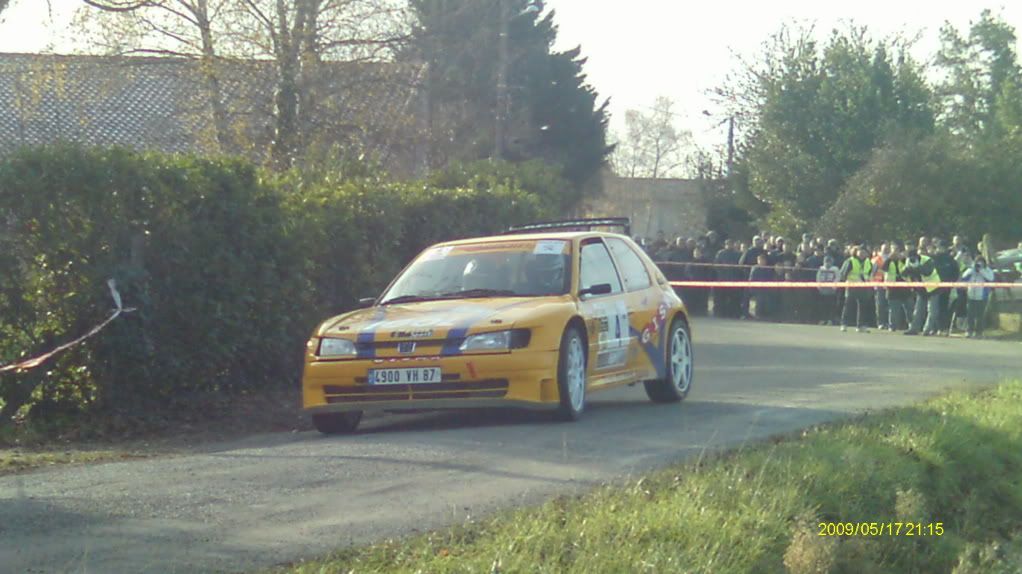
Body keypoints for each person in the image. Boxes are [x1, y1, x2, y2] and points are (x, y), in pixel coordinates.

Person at [902, 249, 942, 336]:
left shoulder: (927, 260)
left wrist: (918, 267)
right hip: (921, 289)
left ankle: (927, 330)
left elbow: (927, 272)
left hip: (933, 288)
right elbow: (904, 273)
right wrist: (908, 268)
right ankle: (914, 329)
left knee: (932, 310)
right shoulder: (908, 261)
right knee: (918, 310)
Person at [839, 246, 874, 332]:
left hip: (863, 286)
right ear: (856, 252)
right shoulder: (850, 261)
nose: (862, 253)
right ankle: (844, 324)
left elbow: (870, 273)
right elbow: (843, 274)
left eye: (864, 252)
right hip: (852, 286)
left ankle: (861, 325)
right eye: (860, 251)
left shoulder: (868, 262)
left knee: (863, 306)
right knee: (848, 306)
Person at [960, 256, 995, 338]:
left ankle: (979, 332)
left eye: (981, 262)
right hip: (971, 295)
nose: (979, 264)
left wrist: (981, 270)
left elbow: (990, 278)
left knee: (980, 315)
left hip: (982, 296)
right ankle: (969, 331)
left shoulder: (987, 270)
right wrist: (972, 269)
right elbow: (964, 277)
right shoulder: (972, 270)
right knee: (970, 315)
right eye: (977, 262)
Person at [930, 241, 960, 334]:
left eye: (942, 247)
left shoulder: (951, 260)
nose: (940, 249)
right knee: (933, 309)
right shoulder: (933, 259)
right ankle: (933, 328)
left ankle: (942, 328)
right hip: (933, 288)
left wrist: (951, 283)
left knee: (944, 308)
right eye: (939, 247)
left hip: (946, 288)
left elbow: (956, 272)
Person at [884, 243, 911, 331]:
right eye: (893, 250)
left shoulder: (904, 260)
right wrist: (889, 259)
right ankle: (892, 326)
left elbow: (909, 269)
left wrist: (904, 258)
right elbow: (883, 268)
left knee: (909, 307)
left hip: (904, 286)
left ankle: (911, 324)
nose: (895, 252)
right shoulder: (888, 260)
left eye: (897, 250)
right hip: (892, 287)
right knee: (894, 309)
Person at [714, 239, 743, 318]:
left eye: (731, 244)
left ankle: (733, 314)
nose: (729, 245)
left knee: (734, 299)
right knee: (722, 298)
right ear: (725, 244)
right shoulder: (720, 253)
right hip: (723, 279)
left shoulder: (738, 254)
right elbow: (717, 265)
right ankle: (721, 313)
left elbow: (740, 266)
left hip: (734, 279)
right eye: (727, 244)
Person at [748, 253, 776, 319]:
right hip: (757, 289)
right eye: (760, 260)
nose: (762, 261)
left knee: (767, 302)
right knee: (759, 302)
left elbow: (770, 279)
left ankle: (766, 316)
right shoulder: (755, 268)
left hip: (766, 289)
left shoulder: (768, 269)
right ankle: (758, 315)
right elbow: (752, 279)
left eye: (763, 260)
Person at [816, 255, 841, 326]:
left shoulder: (835, 269)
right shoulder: (821, 269)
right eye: (826, 262)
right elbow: (818, 277)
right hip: (823, 290)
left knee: (831, 306)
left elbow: (838, 277)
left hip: (831, 290)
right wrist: (819, 286)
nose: (827, 264)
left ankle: (830, 320)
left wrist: (834, 286)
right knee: (822, 306)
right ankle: (823, 319)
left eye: (829, 262)